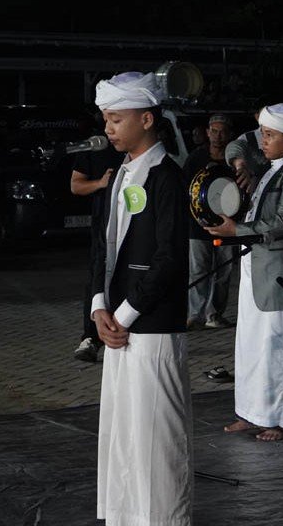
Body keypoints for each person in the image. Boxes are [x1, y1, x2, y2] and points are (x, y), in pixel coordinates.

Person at [90, 71, 193, 525]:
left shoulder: (168, 177)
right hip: (116, 324)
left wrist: (126, 313)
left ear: (147, 119)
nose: (108, 128)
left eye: (116, 119)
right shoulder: (119, 175)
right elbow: (103, 245)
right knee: (124, 438)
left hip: (150, 326)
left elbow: (169, 257)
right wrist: (99, 307)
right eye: (106, 120)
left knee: (156, 442)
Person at [204, 104, 283, 442]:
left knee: (279, 349)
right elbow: (236, 146)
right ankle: (252, 413)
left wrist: (236, 230)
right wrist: (240, 164)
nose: (263, 140)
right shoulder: (269, 168)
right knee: (251, 346)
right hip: (258, 269)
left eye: (270, 135)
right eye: (263, 134)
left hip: (282, 275)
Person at [71, 128, 124, 362]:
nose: (111, 125)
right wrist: (101, 183)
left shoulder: (140, 146)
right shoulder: (95, 145)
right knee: (97, 277)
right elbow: (76, 185)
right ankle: (91, 337)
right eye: (108, 117)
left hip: (133, 225)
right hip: (103, 227)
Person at [183, 114, 235, 330]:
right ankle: (195, 315)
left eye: (222, 131)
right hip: (198, 225)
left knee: (224, 270)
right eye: (214, 131)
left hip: (228, 225)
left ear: (229, 134)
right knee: (198, 271)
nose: (218, 136)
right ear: (207, 132)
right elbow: (184, 189)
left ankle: (214, 314)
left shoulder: (235, 159)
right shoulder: (196, 158)